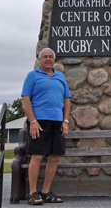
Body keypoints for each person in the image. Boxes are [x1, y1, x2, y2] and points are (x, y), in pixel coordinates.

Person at [22, 48, 71, 205]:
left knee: (54, 157)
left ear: (54, 59)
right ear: (40, 59)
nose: (48, 59)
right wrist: (33, 121)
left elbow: (67, 100)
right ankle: (32, 193)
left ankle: (45, 193)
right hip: (39, 122)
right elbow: (25, 99)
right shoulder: (32, 76)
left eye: (50, 57)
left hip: (57, 121)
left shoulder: (60, 76)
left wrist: (66, 121)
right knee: (37, 156)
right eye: (45, 57)